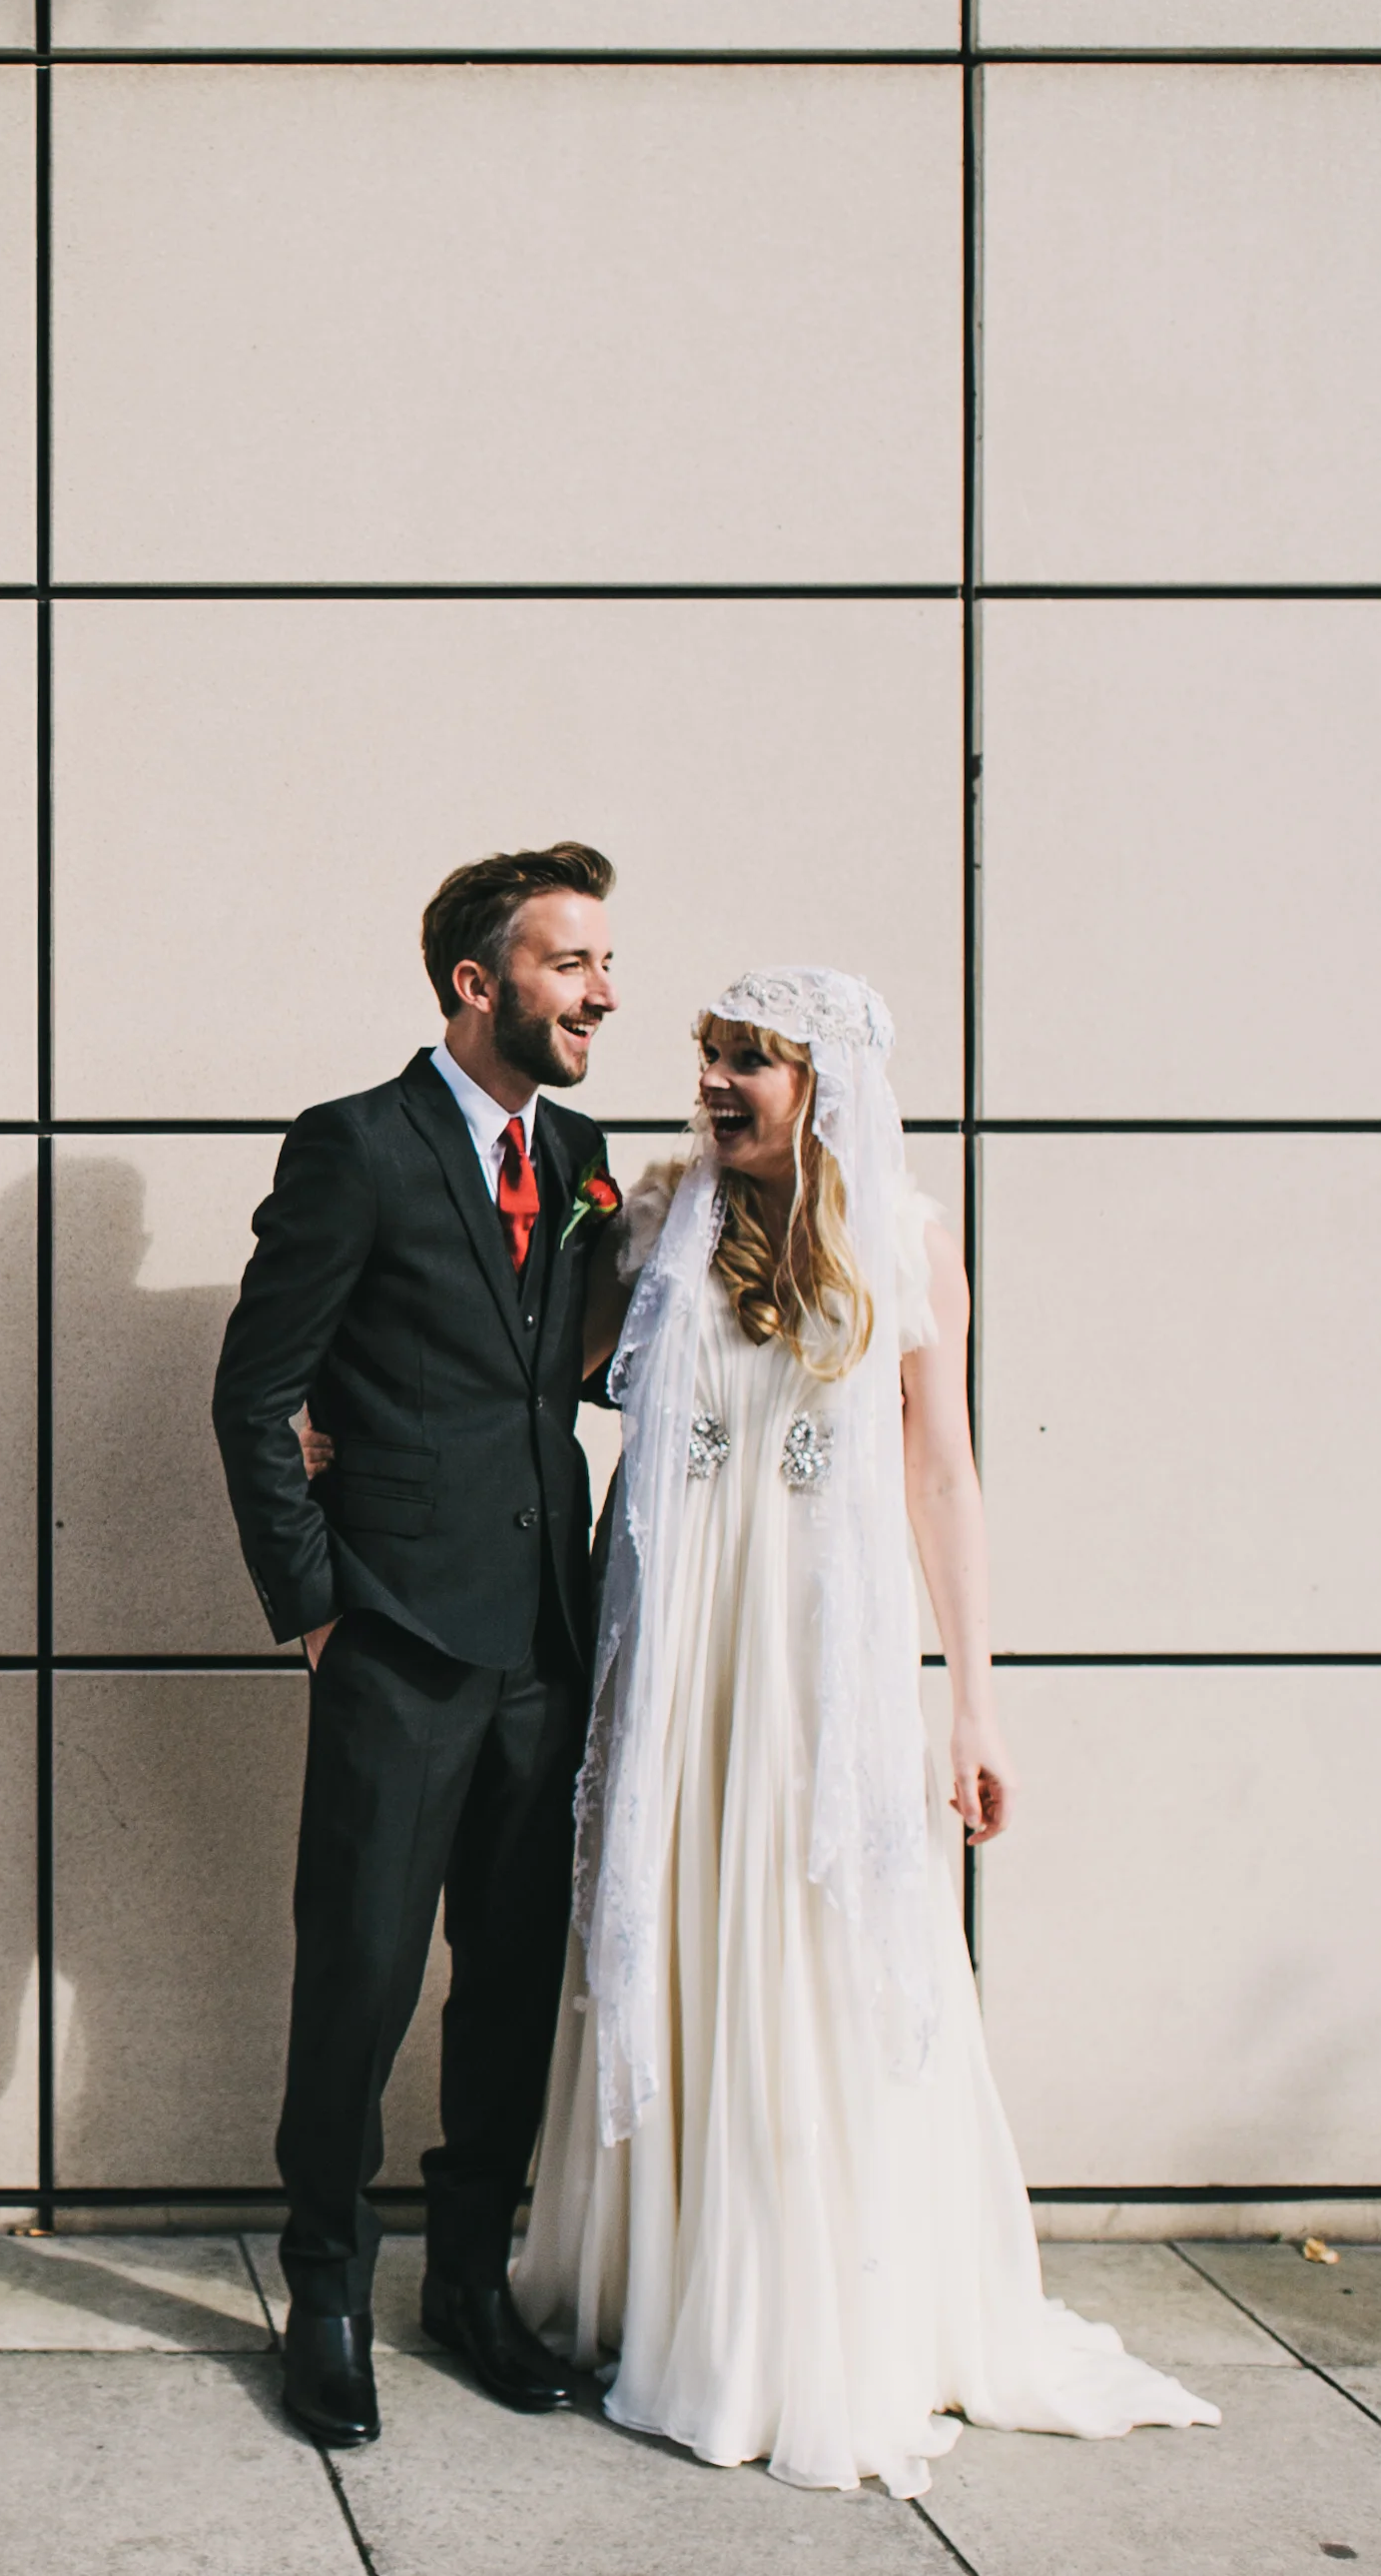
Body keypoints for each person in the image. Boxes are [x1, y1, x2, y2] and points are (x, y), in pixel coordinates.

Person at [499, 965, 1218, 2492]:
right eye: (706, 1055)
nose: (712, 1082)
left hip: (814, 1681)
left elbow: (944, 1476)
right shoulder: (652, 1227)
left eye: (746, 1061)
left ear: (824, 1081)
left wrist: (974, 1703)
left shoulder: (905, 1244)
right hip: (685, 1672)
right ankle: (657, 2282)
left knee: (811, 1948)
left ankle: (805, 2312)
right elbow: (536, 1379)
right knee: (682, 1935)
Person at [208, 843, 626, 2448]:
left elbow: (567, 1368)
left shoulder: (584, 1155)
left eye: (604, 961)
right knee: (362, 1981)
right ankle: (324, 2290)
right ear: (477, 982)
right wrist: (318, 1608)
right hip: (395, 1642)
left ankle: (467, 2284)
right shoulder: (357, 1149)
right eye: (572, 961)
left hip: (545, 1643)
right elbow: (257, 1391)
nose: (604, 990)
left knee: (512, 1983)